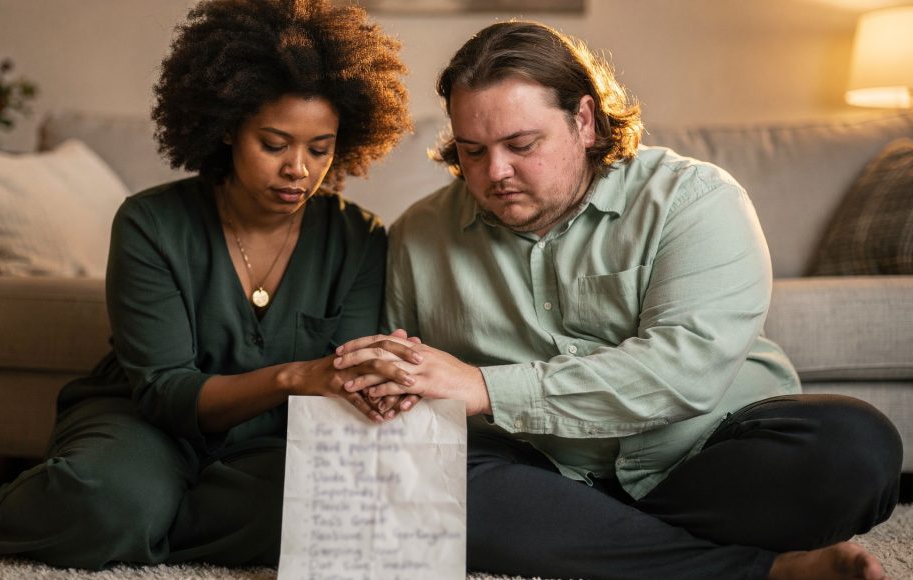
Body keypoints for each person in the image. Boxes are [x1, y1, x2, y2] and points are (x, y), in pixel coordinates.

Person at [336, 21, 903, 580]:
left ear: (584, 120)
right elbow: (410, 386)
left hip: (703, 454)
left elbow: (685, 371)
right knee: (421, 475)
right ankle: (755, 570)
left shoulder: (693, 199)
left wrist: (484, 388)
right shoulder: (418, 235)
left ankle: (591, 539)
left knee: (856, 446)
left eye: (521, 145)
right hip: (539, 470)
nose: (494, 172)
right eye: (472, 150)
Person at [0, 0, 415, 569]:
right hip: (148, 424)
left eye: (320, 148)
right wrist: (294, 375)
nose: (299, 170)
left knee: (318, 514)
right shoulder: (151, 223)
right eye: (274, 143)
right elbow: (165, 390)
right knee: (107, 500)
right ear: (228, 129)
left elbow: (346, 374)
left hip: (272, 442)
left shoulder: (360, 239)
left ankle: (73, 509)